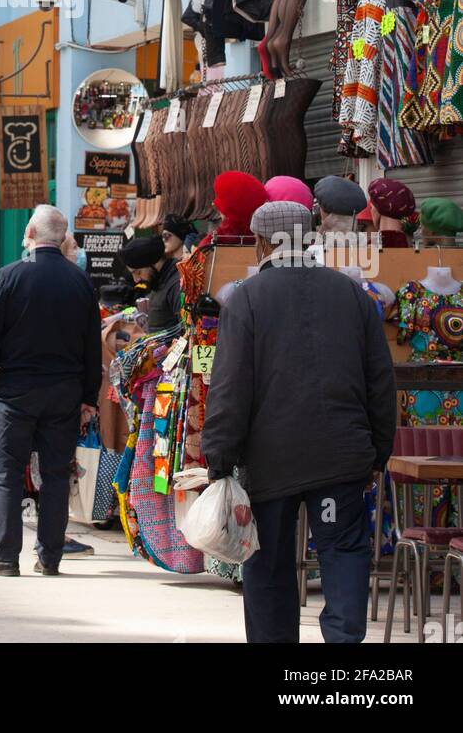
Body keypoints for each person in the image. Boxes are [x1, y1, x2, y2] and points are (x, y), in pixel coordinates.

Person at [202, 200, 397, 645]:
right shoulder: (352, 295)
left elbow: (231, 387)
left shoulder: (246, 298)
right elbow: (380, 383)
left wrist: (219, 457)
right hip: (342, 456)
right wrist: (377, 452)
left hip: (272, 462)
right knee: (344, 552)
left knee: (267, 560)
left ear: (262, 242)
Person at [0, 204, 102, 577]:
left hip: (15, 390)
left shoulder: (11, 275)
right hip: (63, 392)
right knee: (56, 474)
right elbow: (91, 345)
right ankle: (50, 556)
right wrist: (87, 397)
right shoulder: (79, 281)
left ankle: (6, 556)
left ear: (30, 233)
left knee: (8, 474)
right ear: (61, 238)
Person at [119, 233, 180, 331]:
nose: (136, 280)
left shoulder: (177, 285)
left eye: (138, 272)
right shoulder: (159, 281)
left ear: (153, 263)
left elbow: (190, 334)